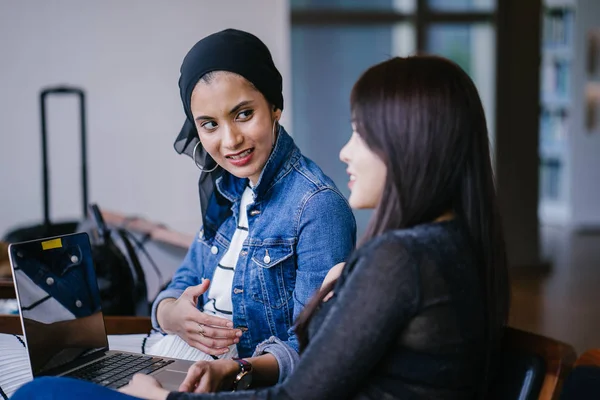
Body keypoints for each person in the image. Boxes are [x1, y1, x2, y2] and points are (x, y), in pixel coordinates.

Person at [12, 54, 509, 400]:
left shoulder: (384, 249)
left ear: (408, 144)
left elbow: (301, 388)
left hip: (237, 380)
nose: (344, 151)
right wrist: (170, 312)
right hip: (208, 368)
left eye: (361, 133)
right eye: (207, 124)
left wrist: (183, 394)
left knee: (39, 390)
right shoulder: (447, 247)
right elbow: (182, 283)